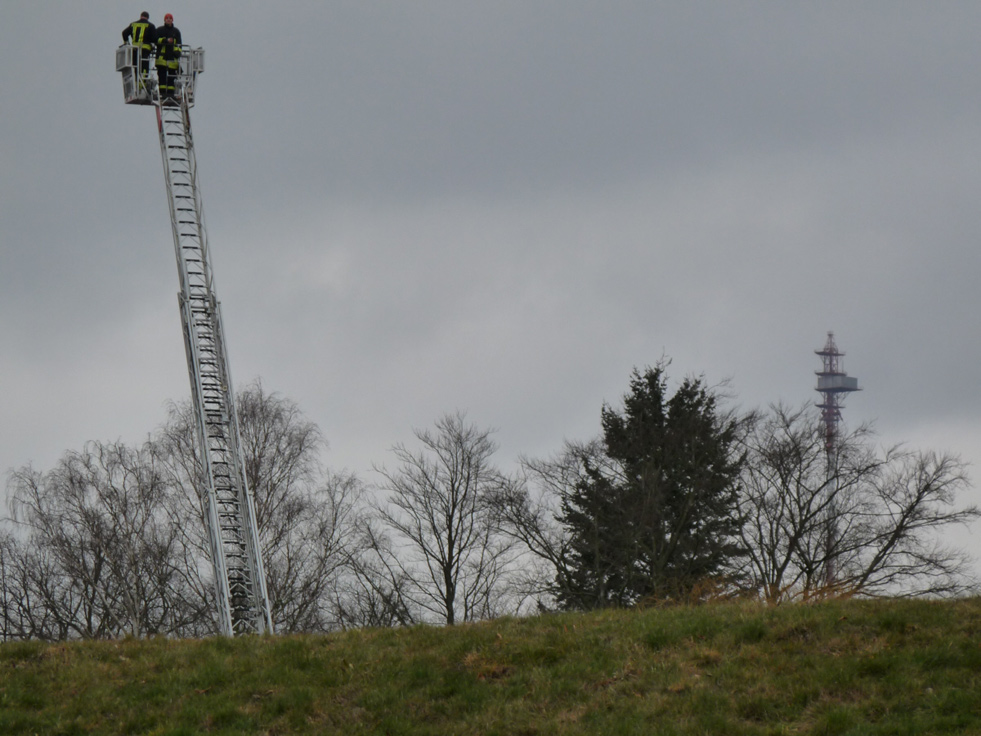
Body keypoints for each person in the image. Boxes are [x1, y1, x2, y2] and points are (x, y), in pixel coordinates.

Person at [121, 11, 155, 83]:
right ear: (147, 18)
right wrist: (152, 46)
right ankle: (143, 82)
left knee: (136, 67)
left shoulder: (133, 24)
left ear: (140, 16)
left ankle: (136, 81)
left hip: (135, 50)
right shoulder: (151, 26)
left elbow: (124, 33)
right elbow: (154, 39)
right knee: (144, 67)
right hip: (145, 50)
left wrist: (127, 43)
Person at [155, 13, 183, 101]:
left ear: (172, 20)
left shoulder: (176, 31)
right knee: (162, 77)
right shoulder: (159, 30)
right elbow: (156, 40)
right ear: (164, 20)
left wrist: (177, 52)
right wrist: (165, 40)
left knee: (171, 78)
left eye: (170, 18)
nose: (168, 19)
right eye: (167, 18)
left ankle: (171, 95)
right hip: (162, 59)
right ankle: (162, 94)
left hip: (172, 60)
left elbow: (179, 44)